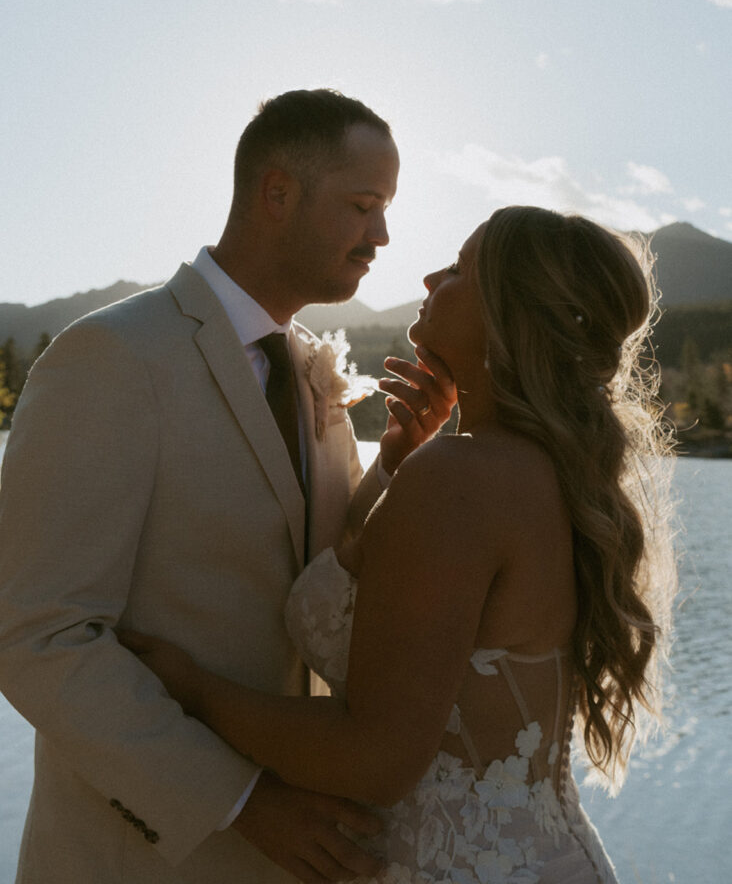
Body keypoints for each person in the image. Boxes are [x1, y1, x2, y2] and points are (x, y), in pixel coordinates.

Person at [120, 206, 677, 884]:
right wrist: (396, 466)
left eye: (461, 270)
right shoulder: (544, 470)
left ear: (510, 315)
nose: (430, 276)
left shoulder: (462, 478)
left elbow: (375, 760)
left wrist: (193, 689)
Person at [0, 88, 457, 884]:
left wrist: (393, 463)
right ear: (277, 193)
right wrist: (241, 801)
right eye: (362, 205)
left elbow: (325, 572)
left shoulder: (311, 368)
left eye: (385, 209)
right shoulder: (111, 359)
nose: (382, 235)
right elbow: (35, 634)